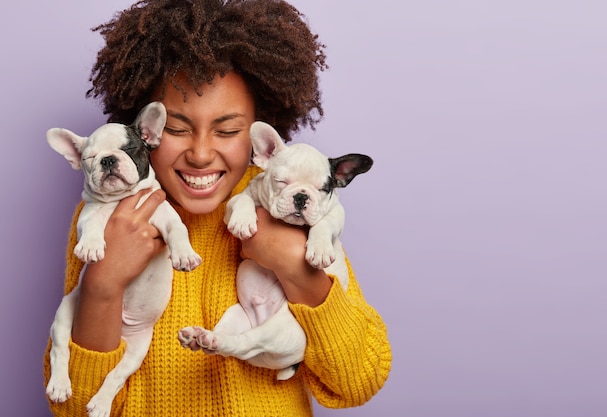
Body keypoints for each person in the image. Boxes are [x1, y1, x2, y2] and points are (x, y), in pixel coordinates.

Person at [43, 0, 392, 415]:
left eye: (227, 130)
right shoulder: (110, 215)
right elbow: (72, 408)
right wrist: (102, 285)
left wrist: (295, 266)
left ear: (261, 137)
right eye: (176, 128)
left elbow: (357, 383)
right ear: (148, 131)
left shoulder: (291, 208)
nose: (202, 153)